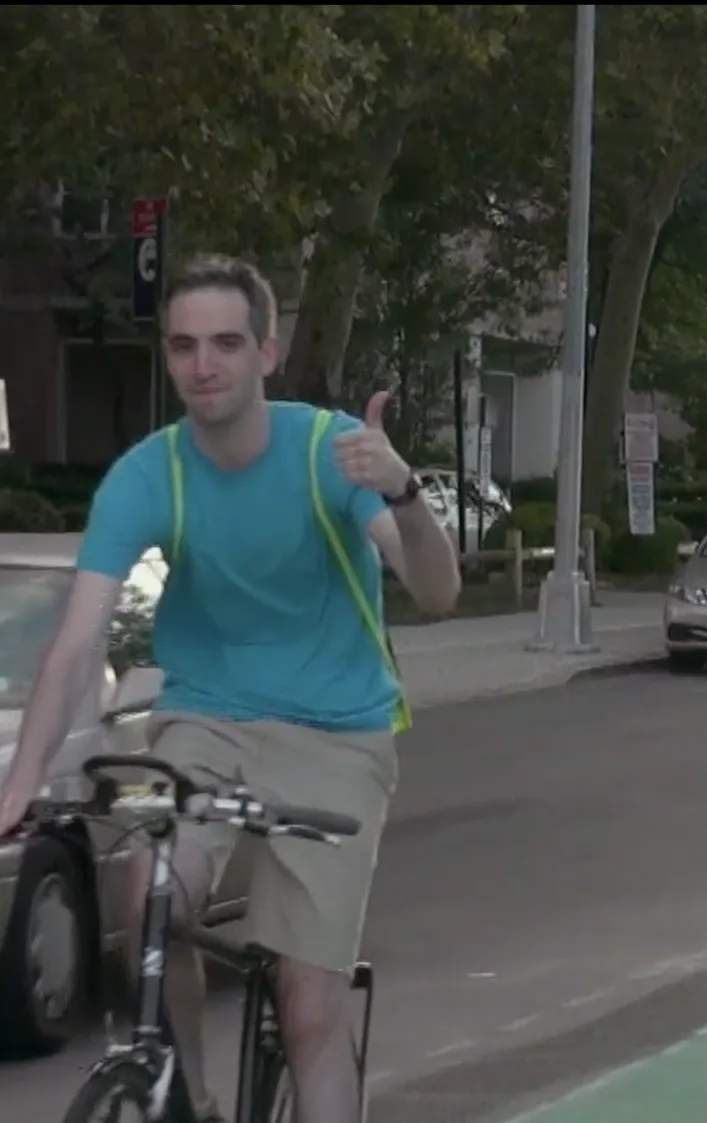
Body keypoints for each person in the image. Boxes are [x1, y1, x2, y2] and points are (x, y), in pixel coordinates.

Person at [0, 255, 461, 1123]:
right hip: (206, 719)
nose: (203, 364)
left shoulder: (330, 451)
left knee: (311, 1003)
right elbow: (76, 641)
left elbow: (436, 591)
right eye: (182, 345)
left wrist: (403, 491)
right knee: (148, 892)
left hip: (338, 735)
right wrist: (21, 782)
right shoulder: (151, 473)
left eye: (224, 342)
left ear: (266, 351)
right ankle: (193, 1100)